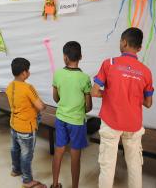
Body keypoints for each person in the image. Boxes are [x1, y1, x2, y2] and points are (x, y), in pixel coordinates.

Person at [91, 27, 154, 188]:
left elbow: (94, 91)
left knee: (107, 166)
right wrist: (131, 97)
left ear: (124, 42)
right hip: (134, 125)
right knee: (134, 166)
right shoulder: (146, 71)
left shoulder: (109, 63)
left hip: (111, 123)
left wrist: (111, 94)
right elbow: (148, 103)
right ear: (139, 48)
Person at [52, 41, 92, 188]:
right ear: (81, 56)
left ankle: (55, 184)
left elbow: (56, 98)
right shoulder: (84, 78)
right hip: (77, 121)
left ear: (65, 57)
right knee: (75, 156)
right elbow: (88, 107)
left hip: (61, 118)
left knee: (59, 151)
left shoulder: (58, 74)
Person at [6, 58, 47, 188]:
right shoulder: (28, 87)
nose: (29, 73)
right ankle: (27, 180)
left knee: (15, 149)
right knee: (26, 155)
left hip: (14, 124)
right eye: (28, 70)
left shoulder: (10, 86)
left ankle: (15, 170)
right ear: (24, 73)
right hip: (26, 128)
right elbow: (40, 106)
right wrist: (44, 106)